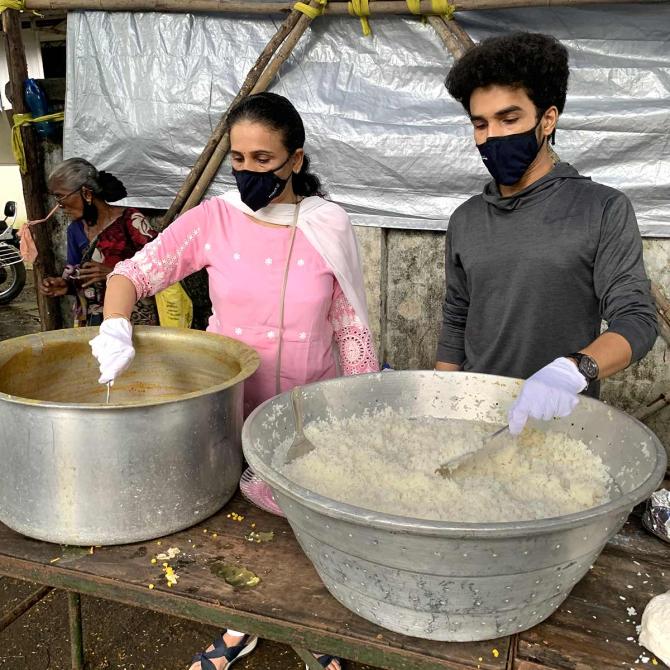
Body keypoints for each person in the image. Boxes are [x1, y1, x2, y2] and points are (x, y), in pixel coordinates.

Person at [90, 92, 379, 670]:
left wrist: (366, 404)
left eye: (263, 159)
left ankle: (319, 630)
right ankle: (235, 625)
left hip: (310, 408)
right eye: (238, 160)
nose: (248, 172)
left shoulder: (328, 223)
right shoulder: (216, 219)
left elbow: (348, 324)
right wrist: (115, 324)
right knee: (231, 523)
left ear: (296, 159)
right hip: (232, 408)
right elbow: (133, 274)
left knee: (310, 526)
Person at [435, 32, 658, 434]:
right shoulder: (465, 219)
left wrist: (575, 369)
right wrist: (441, 404)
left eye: (509, 118)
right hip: (475, 418)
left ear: (547, 119)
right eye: (480, 124)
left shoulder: (602, 208)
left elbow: (637, 319)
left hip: (562, 425)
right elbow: (456, 318)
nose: (492, 137)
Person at [41, 158, 158, 326]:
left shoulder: (131, 221)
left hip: (132, 320)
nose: (58, 205)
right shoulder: (75, 231)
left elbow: (160, 270)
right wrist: (65, 286)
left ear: (86, 193)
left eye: (60, 197)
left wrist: (114, 273)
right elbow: (78, 276)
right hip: (95, 323)